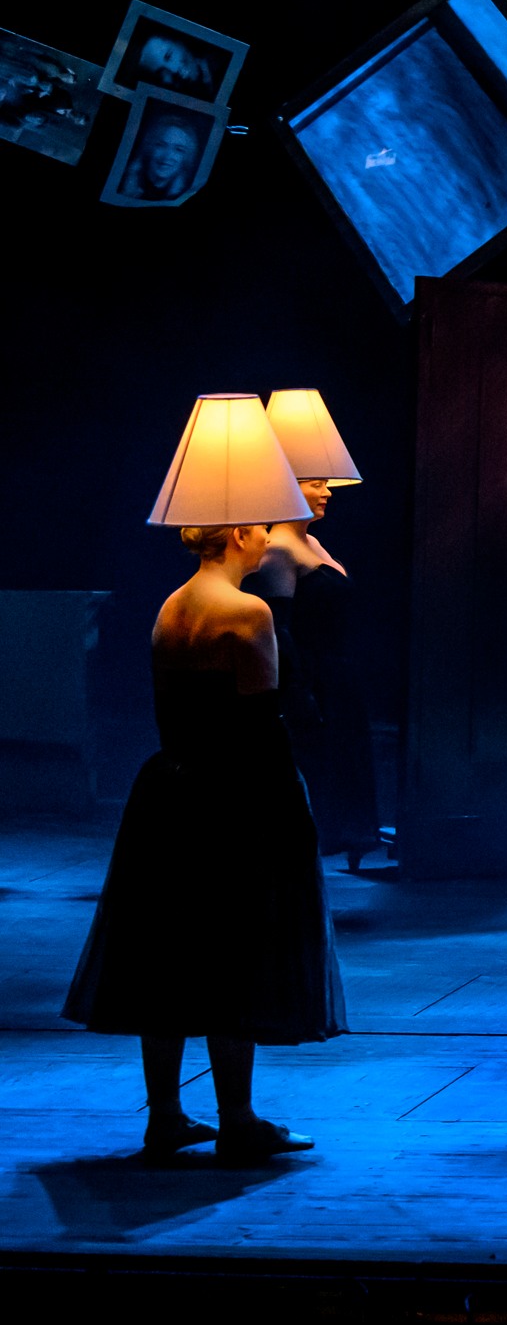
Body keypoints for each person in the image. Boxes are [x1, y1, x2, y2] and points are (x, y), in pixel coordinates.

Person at [65, 520, 342, 1163]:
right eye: (262, 527)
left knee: (166, 953)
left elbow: (173, 709)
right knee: (233, 953)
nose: (270, 537)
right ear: (239, 533)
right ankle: (237, 1119)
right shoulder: (248, 612)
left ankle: (165, 1116)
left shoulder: (172, 605)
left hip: (169, 792)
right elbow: (260, 725)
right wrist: (292, 809)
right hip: (234, 797)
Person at [252, 475, 381, 873]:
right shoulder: (278, 549)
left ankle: (350, 838)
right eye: (316, 483)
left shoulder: (310, 542)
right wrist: (298, 690)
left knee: (347, 758)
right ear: (288, 487)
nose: (327, 492)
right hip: (313, 676)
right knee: (319, 762)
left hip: (338, 672)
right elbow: (280, 628)